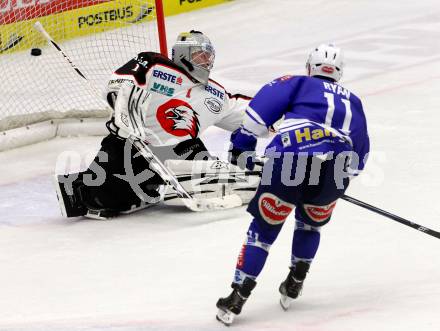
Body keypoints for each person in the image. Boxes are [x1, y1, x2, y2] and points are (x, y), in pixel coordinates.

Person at [216, 43, 370, 325]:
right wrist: (337, 177)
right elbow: (359, 156)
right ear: (339, 72)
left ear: (310, 67)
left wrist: (242, 148)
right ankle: (295, 281)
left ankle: (237, 297)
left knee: (262, 231)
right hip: (335, 169)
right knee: (310, 224)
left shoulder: (297, 83)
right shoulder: (354, 101)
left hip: (291, 159)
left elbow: (256, 115)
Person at [54, 30, 252, 219]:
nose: (207, 62)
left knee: (211, 179)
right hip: (132, 144)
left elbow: (245, 112)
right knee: (103, 199)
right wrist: (125, 116)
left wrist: (277, 112)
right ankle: (80, 191)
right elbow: (119, 84)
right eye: (201, 55)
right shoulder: (154, 64)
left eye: (209, 56)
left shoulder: (214, 94)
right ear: (185, 54)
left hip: (179, 149)